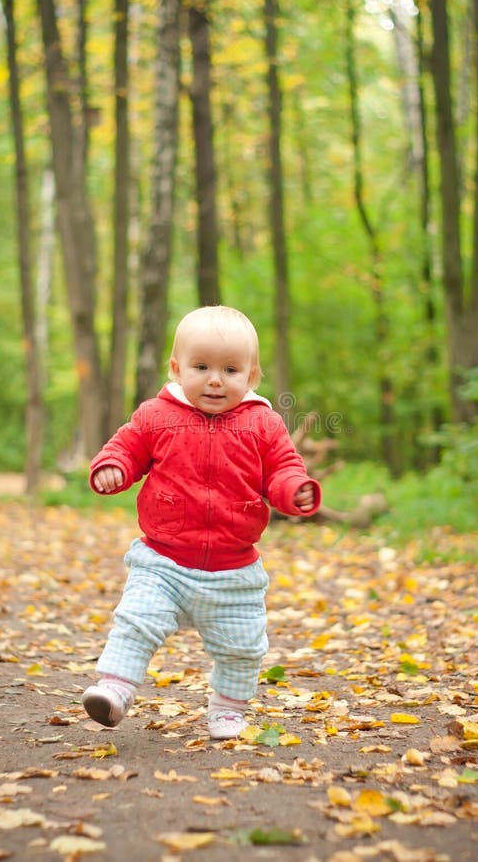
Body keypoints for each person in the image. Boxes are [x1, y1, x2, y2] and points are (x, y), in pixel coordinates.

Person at [82, 305, 321, 739]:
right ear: (177, 369)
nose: (215, 379)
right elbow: (126, 447)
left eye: (230, 369)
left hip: (234, 568)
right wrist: (112, 467)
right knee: (137, 620)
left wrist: (295, 490)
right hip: (163, 558)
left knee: (242, 647)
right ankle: (113, 690)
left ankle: (228, 708)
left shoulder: (263, 424)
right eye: (201, 366)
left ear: (250, 377)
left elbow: (283, 468)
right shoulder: (156, 415)